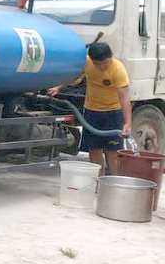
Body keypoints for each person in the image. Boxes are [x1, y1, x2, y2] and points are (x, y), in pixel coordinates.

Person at [49, 41, 132, 174]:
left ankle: (114, 182)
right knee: (94, 149)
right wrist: (58, 87)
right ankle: (98, 181)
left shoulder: (118, 70)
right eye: (97, 64)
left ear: (111, 57)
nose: (101, 66)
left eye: (105, 62)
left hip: (113, 113)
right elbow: (75, 77)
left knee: (112, 151)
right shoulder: (87, 62)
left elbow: (124, 97)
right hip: (91, 111)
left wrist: (127, 122)